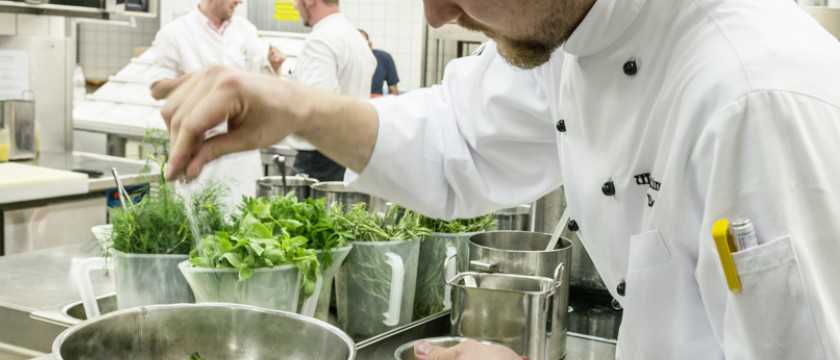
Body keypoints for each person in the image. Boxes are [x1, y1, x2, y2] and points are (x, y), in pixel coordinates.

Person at [154, 0, 840, 359]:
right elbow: (456, 137)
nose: (436, 12)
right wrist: (291, 107)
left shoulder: (754, 102)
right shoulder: (572, 38)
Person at [145, 0, 284, 206]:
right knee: (200, 222)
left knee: (243, 223)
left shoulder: (246, 31)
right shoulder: (175, 33)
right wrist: (202, 78)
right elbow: (157, 88)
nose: (240, 1)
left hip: (242, 153)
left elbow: (265, 85)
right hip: (198, 151)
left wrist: (275, 66)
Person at [283, 0, 376, 182]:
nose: (295, 6)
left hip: (319, 158)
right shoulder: (353, 37)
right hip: (347, 154)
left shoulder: (320, 41)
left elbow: (318, 106)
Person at [359, 29, 400, 97]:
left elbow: (393, 90)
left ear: (370, 45)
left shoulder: (384, 58)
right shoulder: (344, 60)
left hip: (377, 103)